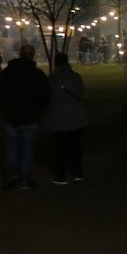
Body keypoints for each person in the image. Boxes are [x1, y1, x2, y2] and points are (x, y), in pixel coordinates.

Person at [0, 44, 50, 190]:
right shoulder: (37, 74)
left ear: (20, 54)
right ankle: (25, 178)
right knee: (27, 149)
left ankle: (12, 175)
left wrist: (5, 107)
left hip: (11, 115)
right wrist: (40, 109)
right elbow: (45, 95)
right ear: (32, 56)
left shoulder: (8, 72)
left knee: (11, 147)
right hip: (30, 116)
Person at [41, 52, 90, 185]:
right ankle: (77, 173)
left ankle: (61, 176)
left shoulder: (51, 80)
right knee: (75, 146)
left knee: (60, 148)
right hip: (76, 116)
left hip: (58, 118)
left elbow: (46, 98)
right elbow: (80, 91)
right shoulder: (76, 77)